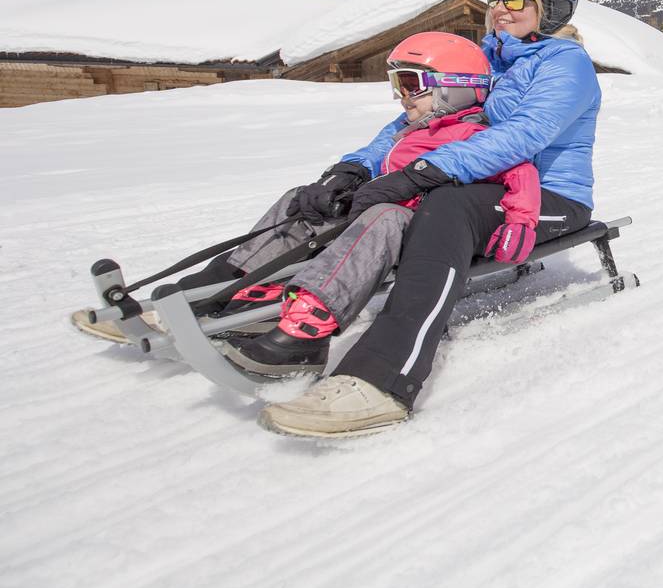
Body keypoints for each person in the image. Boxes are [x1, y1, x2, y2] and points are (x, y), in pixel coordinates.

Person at [259, 0, 601, 438]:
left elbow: (523, 136)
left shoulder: (566, 66)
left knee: (446, 206)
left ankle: (381, 379)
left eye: (516, 0)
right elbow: (413, 122)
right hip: (475, 185)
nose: (500, 8)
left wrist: (423, 173)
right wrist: (355, 169)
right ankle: (235, 301)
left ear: (550, 7)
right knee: (330, 199)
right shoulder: (484, 58)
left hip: (545, 198)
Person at [214, 32, 541, 379]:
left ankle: (310, 328)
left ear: (455, 86)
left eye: (411, 84)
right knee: (302, 199)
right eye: (397, 84)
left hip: (417, 229)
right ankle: (250, 286)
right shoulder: (409, 131)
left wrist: (521, 223)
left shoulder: (472, 134)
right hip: (373, 215)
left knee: (384, 216)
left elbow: (521, 174)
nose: (402, 96)